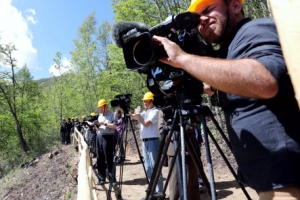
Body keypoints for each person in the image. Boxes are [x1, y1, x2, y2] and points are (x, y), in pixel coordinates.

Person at [153, 0, 300, 199]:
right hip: (269, 177)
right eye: (196, 18)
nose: (201, 20)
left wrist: (183, 60)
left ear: (235, 6)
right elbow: (238, 83)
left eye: (208, 9)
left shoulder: (255, 29)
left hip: (287, 177)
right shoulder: (229, 49)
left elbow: (266, 79)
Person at [130, 92, 163, 195]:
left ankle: (159, 191)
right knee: (148, 168)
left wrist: (139, 114)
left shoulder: (156, 111)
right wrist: (126, 110)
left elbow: (145, 123)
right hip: (145, 142)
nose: (145, 103)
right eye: (144, 101)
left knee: (155, 166)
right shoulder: (145, 112)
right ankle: (152, 190)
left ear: (152, 101)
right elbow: (133, 117)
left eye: (147, 101)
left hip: (153, 141)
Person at [87, 99, 117, 186]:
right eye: (99, 107)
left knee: (109, 159)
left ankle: (112, 180)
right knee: (100, 158)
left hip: (108, 137)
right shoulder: (100, 116)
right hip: (99, 136)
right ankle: (101, 178)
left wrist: (104, 124)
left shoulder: (113, 115)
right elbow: (99, 128)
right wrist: (96, 126)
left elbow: (115, 126)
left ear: (105, 106)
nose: (100, 109)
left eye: (101, 107)